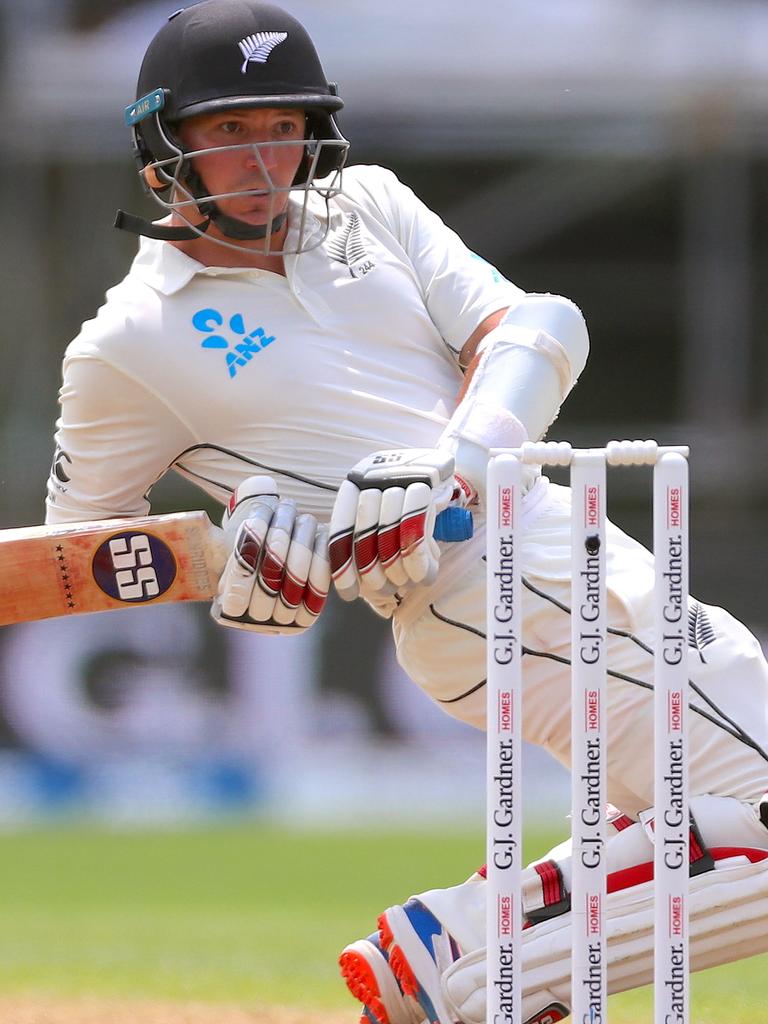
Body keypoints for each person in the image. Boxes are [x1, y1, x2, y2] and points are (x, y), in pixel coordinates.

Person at [45, 2, 768, 1022]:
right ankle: (462, 964)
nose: (265, 159)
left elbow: (532, 325)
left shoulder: (371, 205)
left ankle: (452, 952)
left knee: (711, 820)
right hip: (480, 595)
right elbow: (79, 558)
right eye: (231, 131)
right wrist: (238, 556)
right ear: (165, 144)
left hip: (567, 532)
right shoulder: (126, 343)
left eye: (284, 126)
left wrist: (454, 465)